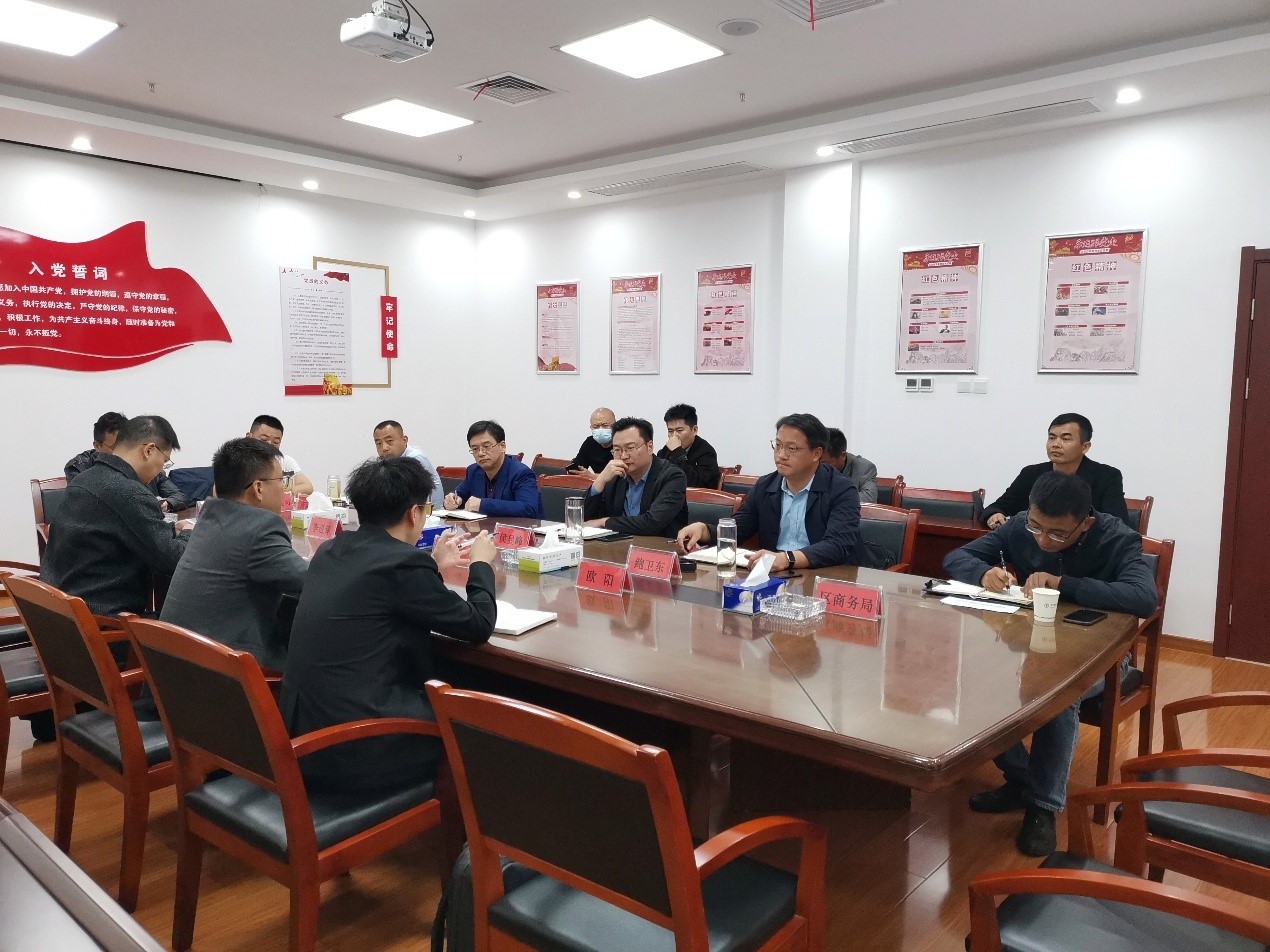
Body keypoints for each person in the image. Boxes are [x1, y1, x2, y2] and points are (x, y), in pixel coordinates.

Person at [944, 471, 1158, 856]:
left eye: (1057, 534)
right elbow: (956, 556)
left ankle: (1042, 806)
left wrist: (1063, 585)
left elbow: (1143, 597)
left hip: (1103, 658)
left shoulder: (1117, 538)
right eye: (1036, 527)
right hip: (1031, 646)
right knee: (972, 678)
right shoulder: (1021, 527)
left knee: (1059, 692)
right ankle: (1021, 779)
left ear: (1085, 524)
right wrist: (983, 572)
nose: (1043, 540)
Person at [280, 456, 497, 794]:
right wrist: (481, 564)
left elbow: (382, 591)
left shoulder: (332, 550)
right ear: (413, 513)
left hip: (303, 730)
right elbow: (478, 623)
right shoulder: (402, 565)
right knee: (484, 714)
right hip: (357, 745)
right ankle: (465, 819)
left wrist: (432, 565)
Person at [159, 438, 308, 671]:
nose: (284, 488)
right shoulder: (260, 528)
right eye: (281, 480)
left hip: (175, 672)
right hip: (225, 677)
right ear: (258, 488)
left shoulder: (209, 516)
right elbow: (312, 582)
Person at [42, 414, 193, 617]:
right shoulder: (130, 493)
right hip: (102, 622)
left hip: (62, 613)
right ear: (149, 450)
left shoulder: (84, 479)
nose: (160, 470)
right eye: (164, 461)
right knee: (195, 622)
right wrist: (189, 531)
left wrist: (171, 529)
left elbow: (120, 531)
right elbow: (174, 561)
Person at [677, 413, 860, 570]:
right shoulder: (766, 485)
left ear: (816, 454)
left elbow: (838, 545)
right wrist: (705, 530)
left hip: (822, 575)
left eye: (791, 448)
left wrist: (787, 559)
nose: (781, 455)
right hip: (774, 574)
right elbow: (741, 527)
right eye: (778, 445)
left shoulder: (841, 490)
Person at [982, 413, 1129, 529]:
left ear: (1085, 447)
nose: (1056, 444)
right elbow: (997, 507)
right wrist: (994, 515)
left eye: (1066, 439)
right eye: (1052, 438)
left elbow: (1117, 524)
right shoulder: (1031, 473)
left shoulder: (1107, 476)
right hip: (1033, 549)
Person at [65, 411, 191, 512]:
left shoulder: (148, 468)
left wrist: (166, 504)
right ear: (97, 446)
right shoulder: (80, 467)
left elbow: (180, 496)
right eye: (116, 447)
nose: (122, 454)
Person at [584, 417, 691, 536]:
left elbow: (651, 523)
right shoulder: (615, 475)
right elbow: (583, 519)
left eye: (630, 448)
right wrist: (600, 480)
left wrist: (604, 522)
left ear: (650, 447)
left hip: (658, 545)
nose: (623, 456)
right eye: (617, 449)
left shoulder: (673, 476)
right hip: (618, 544)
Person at [444, 421, 542, 517]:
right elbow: (460, 495)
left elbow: (528, 508)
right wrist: (453, 500)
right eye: (475, 449)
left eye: (486, 446)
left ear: (502, 446)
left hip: (519, 527)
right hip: (484, 527)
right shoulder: (474, 471)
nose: (480, 453)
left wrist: (482, 504)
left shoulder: (521, 473)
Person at [372, 419, 444, 512]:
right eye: (378, 443)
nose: (384, 448)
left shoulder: (415, 459)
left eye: (389, 441)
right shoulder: (388, 461)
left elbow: (404, 498)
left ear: (404, 440)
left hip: (430, 514)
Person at [656, 403, 721, 489]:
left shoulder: (707, 453)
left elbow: (696, 485)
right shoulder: (664, 452)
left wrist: (677, 453)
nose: (674, 436)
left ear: (694, 430)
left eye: (679, 430)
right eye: (670, 431)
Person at [247, 414, 313, 496]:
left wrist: (278, 494)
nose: (269, 445)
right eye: (264, 439)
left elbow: (307, 487)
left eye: (276, 442)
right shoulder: (239, 462)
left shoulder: (284, 461)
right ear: (249, 437)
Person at [824, 427, 878, 504]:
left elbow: (869, 498)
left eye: (825, 463)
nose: (819, 467)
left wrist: (833, 497)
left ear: (843, 456)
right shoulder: (812, 464)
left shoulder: (864, 468)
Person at [567, 406, 617, 474]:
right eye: (596, 427)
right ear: (591, 428)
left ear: (615, 425)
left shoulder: (621, 443)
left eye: (605, 425)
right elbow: (577, 469)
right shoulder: (590, 443)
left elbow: (622, 476)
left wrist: (592, 476)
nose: (600, 430)